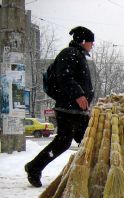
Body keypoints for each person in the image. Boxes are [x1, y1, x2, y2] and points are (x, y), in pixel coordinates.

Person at [24, 26, 95, 187]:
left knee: (88, 141)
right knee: (64, 142)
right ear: (83, 41)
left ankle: (93, 175)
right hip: (68, 109)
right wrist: (78, 95)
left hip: (77, 111)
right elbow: (64, 77)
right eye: (91, 41)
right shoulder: (69, 54)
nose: (93, 44)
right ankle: (34, 167)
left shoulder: (78, 55)